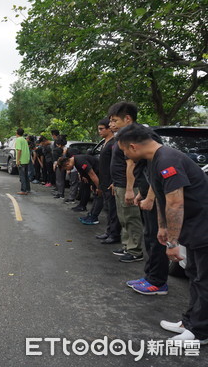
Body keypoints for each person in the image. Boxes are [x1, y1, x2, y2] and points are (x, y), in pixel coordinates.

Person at [117, 124, 208, 342]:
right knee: (194, 275)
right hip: (193, 226)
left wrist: (172, 243)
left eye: (124, 151)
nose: (125, 156)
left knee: (203, 279)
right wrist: (163, 228)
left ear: (132, 146)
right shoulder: (154, 161)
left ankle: (201, 332)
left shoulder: (168, 159)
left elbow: (176, 203)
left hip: (202, 225)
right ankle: (190, 321)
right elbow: (161, 196)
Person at [108, 102, 145, 263]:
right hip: (120, 184)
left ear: (127, 119)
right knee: (123, 217)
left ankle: (135, 250)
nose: (111, 124)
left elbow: (131, 164)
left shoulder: (132, 136)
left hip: (128, 186)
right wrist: (115, 182)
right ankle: (126, 245)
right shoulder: (122, 136)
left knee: (131, 217)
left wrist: (130, 189)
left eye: (115, 120)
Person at [94, 118, 122, 244]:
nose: (99, 131)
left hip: (111, 181)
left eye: (101, 129)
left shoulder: (114, 143)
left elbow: (115, 163)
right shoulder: (104, 143)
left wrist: (114, 181)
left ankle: (115, 234)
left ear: (109, 128)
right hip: (104, 181)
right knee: (107, 208)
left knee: (113, 209)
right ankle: (109, 231)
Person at [15, 128, 30, 195]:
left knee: (22, 176)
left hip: (21, 160)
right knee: (26, 175)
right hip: (26, 160)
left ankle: (23, 190)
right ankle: (28, 189)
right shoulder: (24, 140)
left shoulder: (18, 140)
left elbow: (19, 150)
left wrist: (18, 160)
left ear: (17, 133)